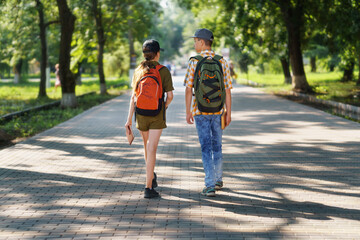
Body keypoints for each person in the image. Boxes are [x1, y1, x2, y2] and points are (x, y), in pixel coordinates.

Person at [184, 28, 232, 197]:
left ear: (202, 42)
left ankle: (209, 185)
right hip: (219, 110)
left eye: (195, 40)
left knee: (206, 147)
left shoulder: (194, 62)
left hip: (200, 111)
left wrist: (188, 111)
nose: (194, 43)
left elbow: (189, 89)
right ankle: (218, 179)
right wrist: (229, 112)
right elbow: (227, 90)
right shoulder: (222, 61)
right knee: (217, 145)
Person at [125, 39, 174, 199]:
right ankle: (148, 188)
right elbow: (170, 96)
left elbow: (133, 97)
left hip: (141, 115)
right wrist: (163, 107)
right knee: (152, 148)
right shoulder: (163, 70)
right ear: (157, 53)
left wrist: (129, 121)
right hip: (156, 115)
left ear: (144, 54)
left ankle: (151, 177)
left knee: (147, 148)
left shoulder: (139, 70)